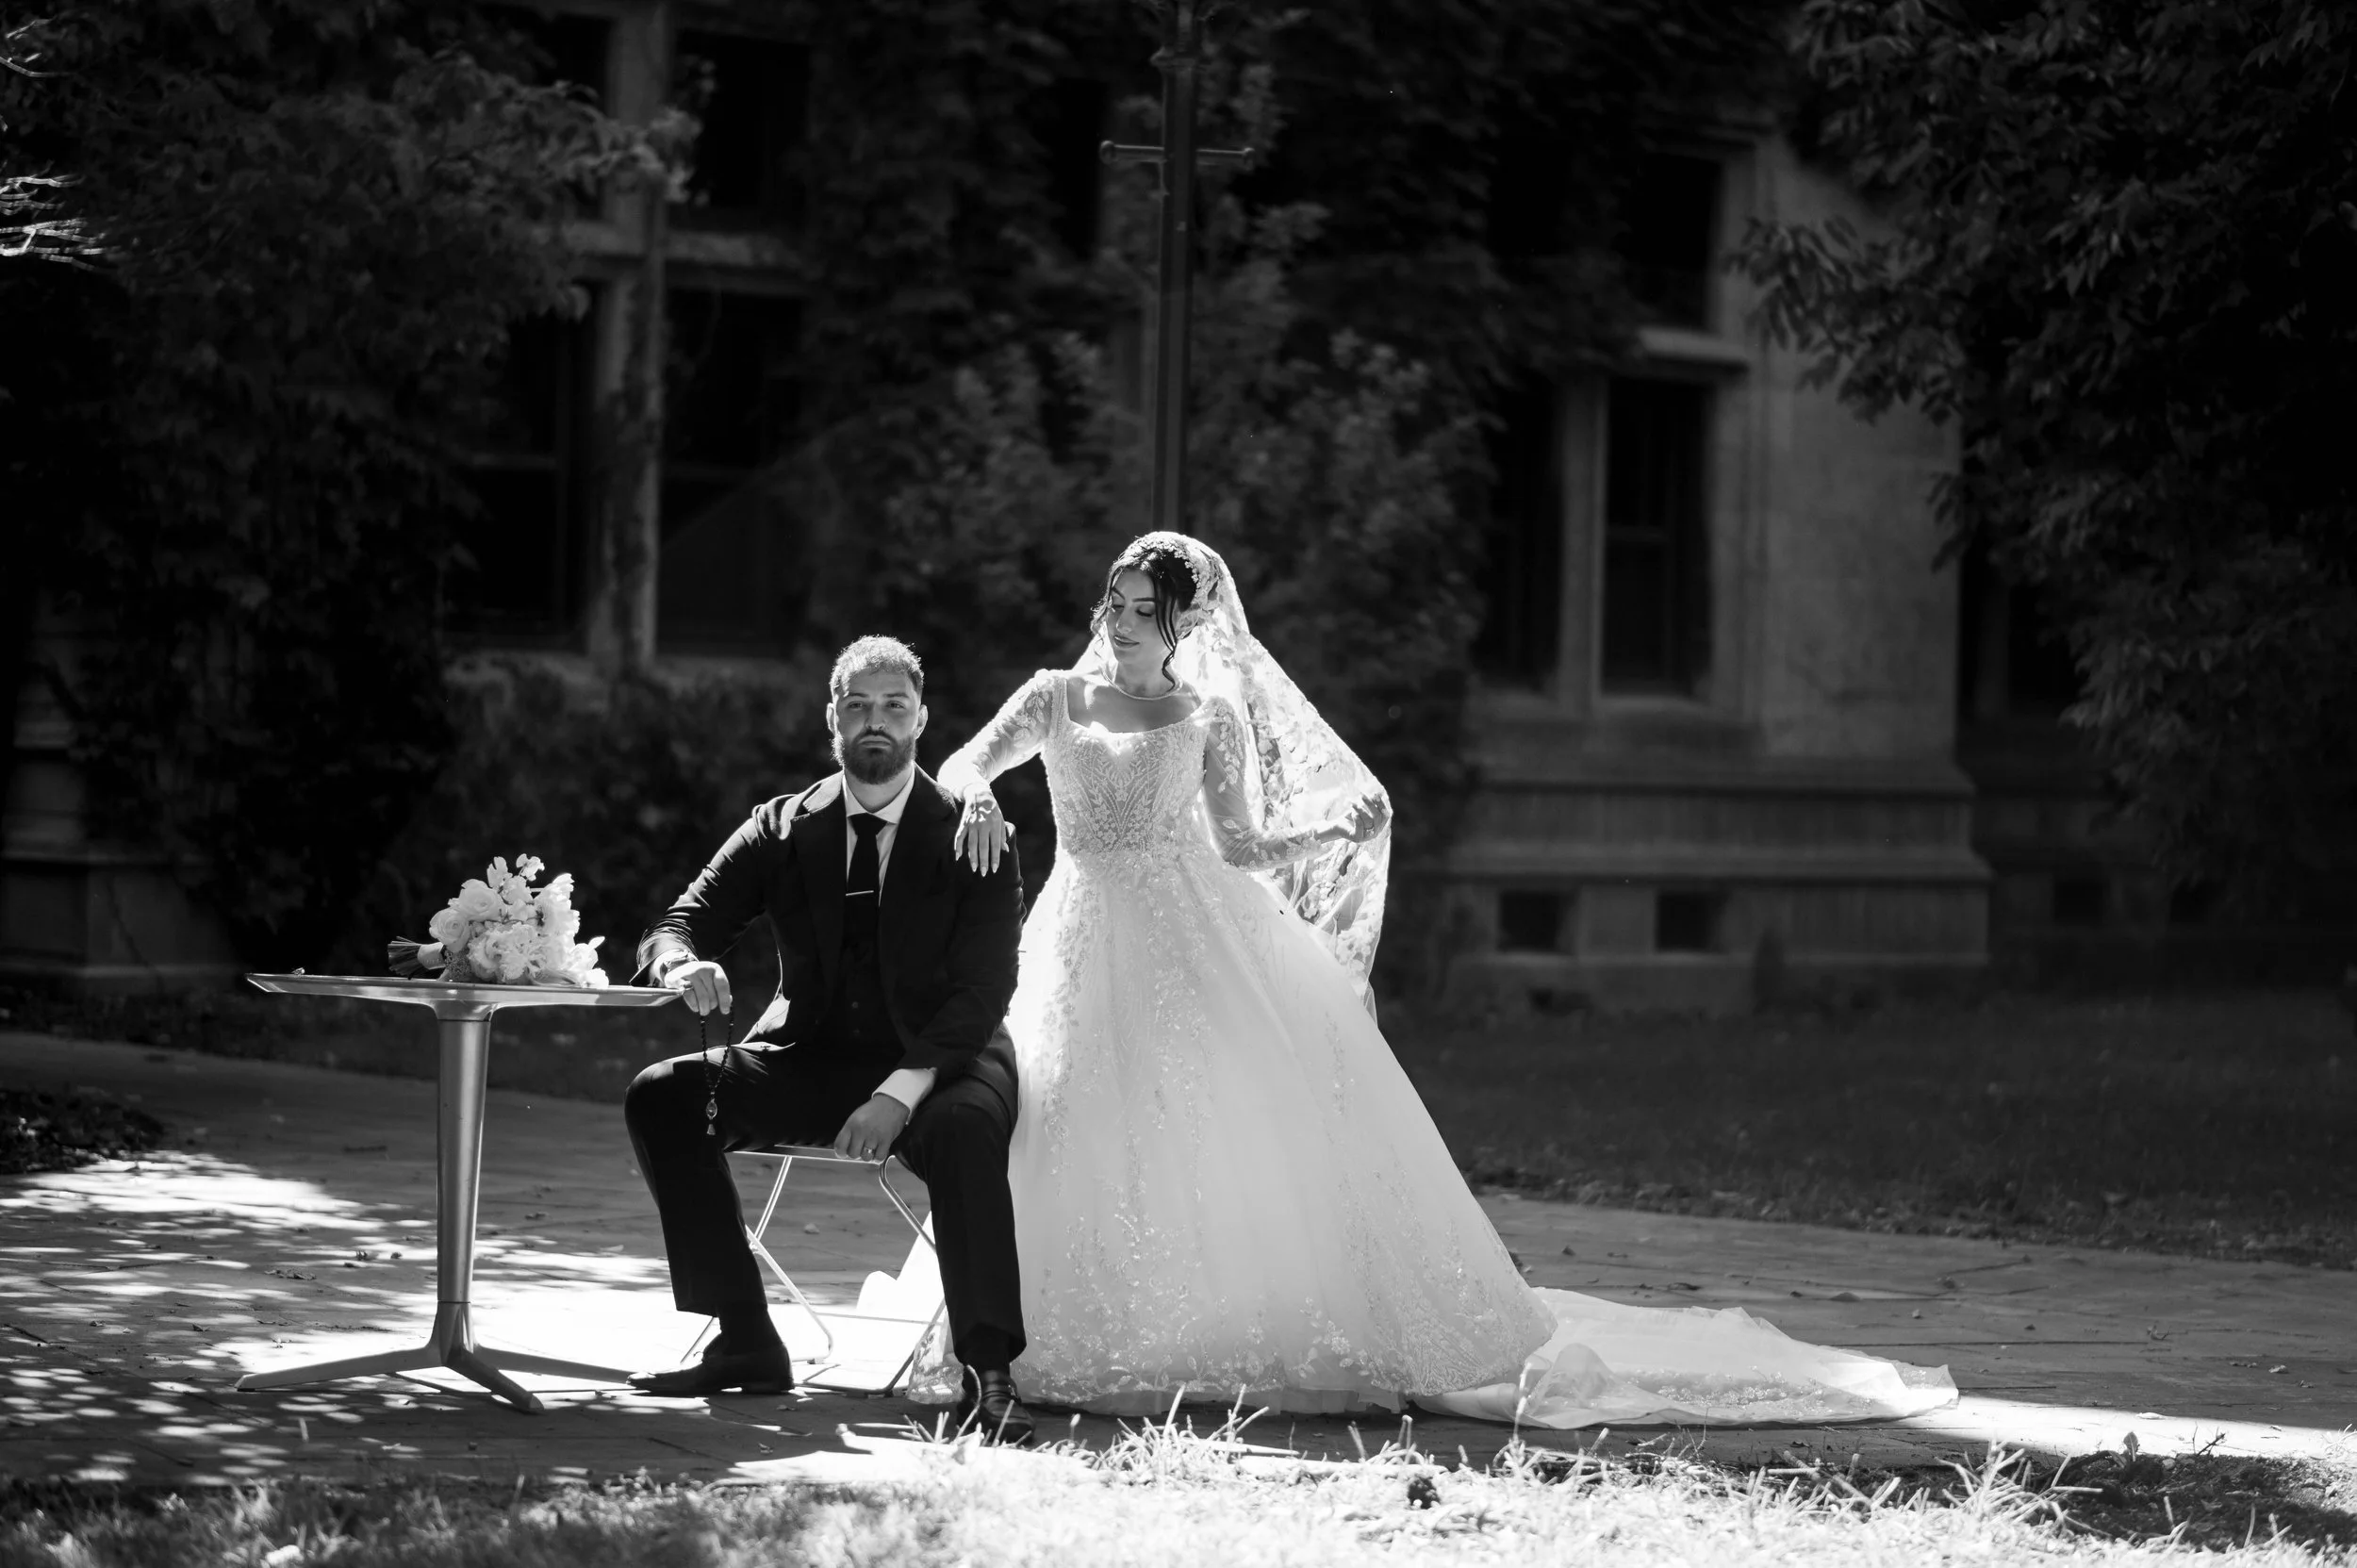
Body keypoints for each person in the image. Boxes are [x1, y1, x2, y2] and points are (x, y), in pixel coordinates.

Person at [925, 532, 1957, 1428]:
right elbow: (962, 764)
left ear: (1182, 623)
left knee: (1202, 1123)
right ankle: (1022, 1331)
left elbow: (1239, 846)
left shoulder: (1209, 719)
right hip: (1075, 931)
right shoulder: (1052, 697)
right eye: (1110, 601)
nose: (1115, 620)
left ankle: (1203, 1329)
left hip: (1190, 932)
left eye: (1138, 608)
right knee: (1067, 1114)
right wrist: (973, 803)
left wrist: (1332, 825)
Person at [622, 635, 1037, 1442]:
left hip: (942, 1062)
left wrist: (899, 1093)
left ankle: (991, 1376)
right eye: (857, 705)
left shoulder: (972, 832)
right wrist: (682, 963)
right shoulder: (780, 826)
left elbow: (984, 990)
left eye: (893, 706)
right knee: (665, 1096)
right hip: (810, 1054)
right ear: (832, 720)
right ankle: (744, 1336)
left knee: (962, 1131)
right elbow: (677, 923)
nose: (874, 721)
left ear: (921, 717)